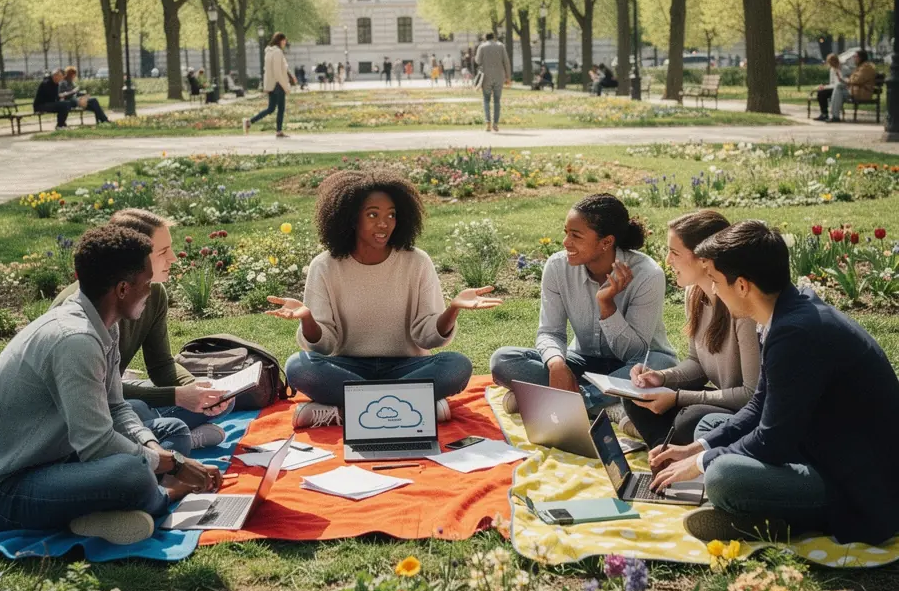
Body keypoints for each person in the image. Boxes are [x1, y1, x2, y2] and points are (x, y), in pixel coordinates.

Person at [0, 225, 223, 545]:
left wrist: (157, 451)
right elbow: (95, 442)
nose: (151, 292)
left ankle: (102, 513)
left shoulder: (104, 324)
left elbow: (116, 408)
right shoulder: (76, 339)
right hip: (1, 489)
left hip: (55, 457)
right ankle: (166, 494)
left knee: (171, 433)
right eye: (147, 283)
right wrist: (174, 465)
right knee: (135, 473)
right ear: (123, 289)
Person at [651, 220, 899, 546]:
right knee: (709, 426)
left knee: (724, 477)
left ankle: (776, 520)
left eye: (714, 280)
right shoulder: (783, 312)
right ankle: (758, 510)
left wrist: (698, 464)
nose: (711, 290)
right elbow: (759, 405)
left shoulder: (795, 334)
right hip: (819, 445)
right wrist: (695, 449)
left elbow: (773, 442)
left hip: (854, 483)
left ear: (742, 286)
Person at [270, 170, 501, 429]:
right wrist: (308, 319)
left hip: (407, 366)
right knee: (298, 366)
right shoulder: (325, 266)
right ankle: (416, 406)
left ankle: (350, 411)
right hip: (348, 367)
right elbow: (324, 346)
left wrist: (453, 309)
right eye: (373, 215)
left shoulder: (417, 262)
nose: (384, 224)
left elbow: (427, 338)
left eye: (391, 214)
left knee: (456, 366)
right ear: (351, 218)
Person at [52, 208, 233, 450]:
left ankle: (166, 434)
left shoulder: (154, 294)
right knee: (137, 410)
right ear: (134, 257)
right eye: (163, 252)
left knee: (223, 400)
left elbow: (161, 366)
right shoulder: (87, 306)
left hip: (116, 399)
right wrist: (179, 396)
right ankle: (174, 436)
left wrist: (196, 389)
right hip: (81, 413)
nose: (173, 259)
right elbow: (102, 393)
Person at [490, 193, 676, 414]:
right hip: (583, 362)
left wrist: (606, 305)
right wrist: (556, 364)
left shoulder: (647, 274)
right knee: (503, 360)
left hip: (635, 365)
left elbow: (634, 353)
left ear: (606, 242)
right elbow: (550, 331)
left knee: (659, 366)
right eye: (566, 233)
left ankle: (566, 402)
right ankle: (610, 404)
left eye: (576, 236)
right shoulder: (557, 267)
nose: (565, 242)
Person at [623, 211, 760, 447]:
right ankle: (667, 447)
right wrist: (660, 377)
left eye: (674, 252)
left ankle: (662, 444)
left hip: (747, 412)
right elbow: (697, 364)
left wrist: (677, 398)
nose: (667, 260)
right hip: (722, 403)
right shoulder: (694, 294)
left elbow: (750, 394)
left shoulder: (742, 309)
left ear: (704, 258)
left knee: (692, 419)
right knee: (635, 397)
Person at [244, 32, 295, 137]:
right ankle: (279, 131)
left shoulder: (268, 52)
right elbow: (277, 72)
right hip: (278, 84)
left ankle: (250, 122)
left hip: (271, 84)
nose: (285, 42)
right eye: (285, 40)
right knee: (281, 108)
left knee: (271, 109)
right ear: (280, 40)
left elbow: (268, 70)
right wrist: (285, 86)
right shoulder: (277, 52)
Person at [474, 32, 512, 132]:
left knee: (486, 100)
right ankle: (495, 123)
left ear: (485, 38)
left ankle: (488, 123)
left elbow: (477, 61)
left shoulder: (482, 47)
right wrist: (508, 76)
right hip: (499, 76)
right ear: (494, 37)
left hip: (486, 77)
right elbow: (506, 62)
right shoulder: (501, 46)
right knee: (497, 101)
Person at [829, 48, 876, 122]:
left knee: (838, 87)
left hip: (862, 93)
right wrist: (845, 80)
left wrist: (846, 80)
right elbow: (853, 79)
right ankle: (834, 115)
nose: (854, 59)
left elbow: (857, 80)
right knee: (838, 88)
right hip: (856, 91)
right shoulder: (861, 66)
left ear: (861, 58)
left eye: (855, 57)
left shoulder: (866, 67)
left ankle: (835, 116)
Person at [812, 53, 842, 121]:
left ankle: (825, 114)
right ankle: (824, 114)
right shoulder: (832, 69)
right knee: (821, 93)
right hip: (833, 87)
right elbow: (832, 82)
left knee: (822, 92)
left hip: (838, 89)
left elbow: (838, 83)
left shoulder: (841, 69)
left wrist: (825, 87)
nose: (831, 64)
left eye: (832, 62)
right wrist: (824, 86)